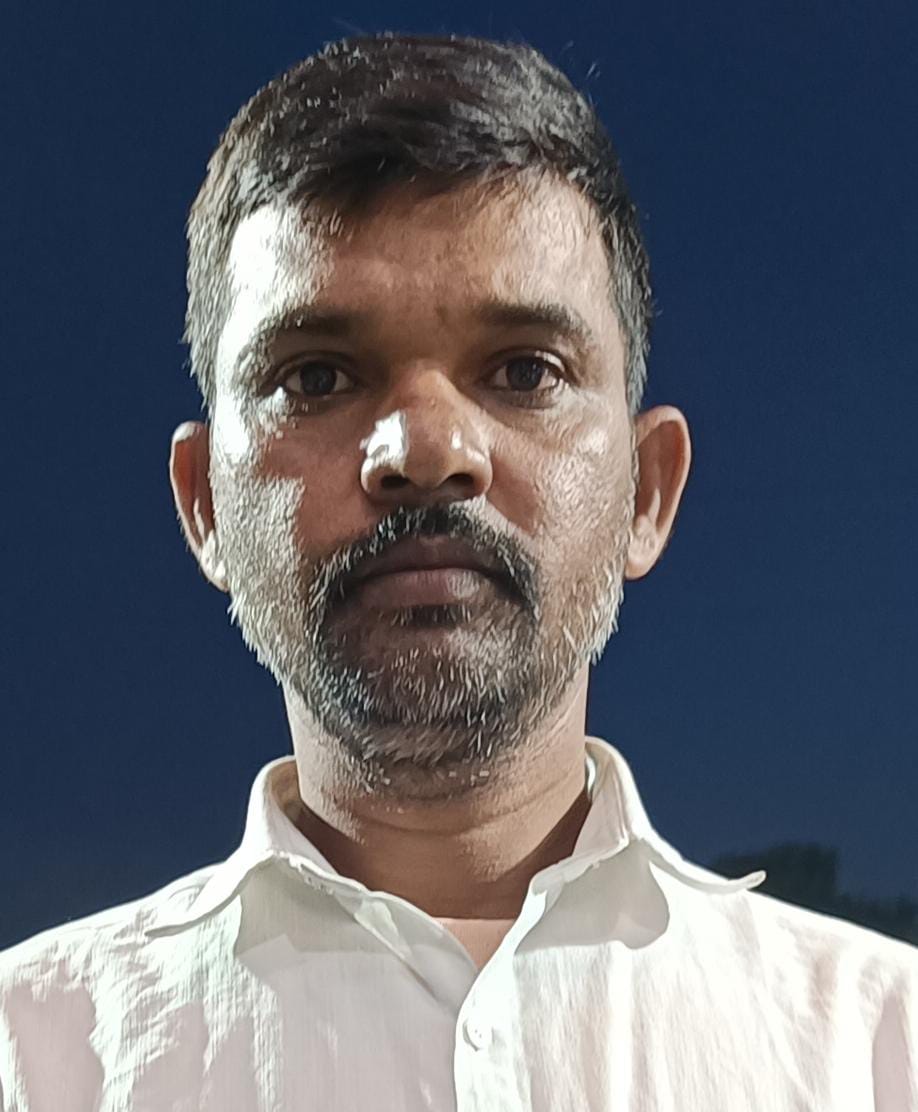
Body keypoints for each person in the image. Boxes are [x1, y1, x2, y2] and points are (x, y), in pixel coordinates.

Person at [1, 31, 914, 1111]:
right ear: (204, 505)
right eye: (317, 376)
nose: (427, 448)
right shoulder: (32, 1058)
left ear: (647, 492)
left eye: (524, 370)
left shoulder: (882, 1050)